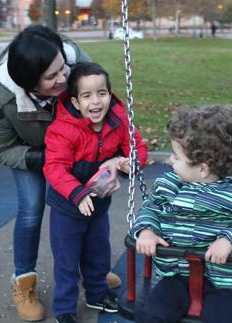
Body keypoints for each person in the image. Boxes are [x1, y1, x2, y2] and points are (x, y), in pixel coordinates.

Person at [0, 25, 121, 321]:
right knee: (32, 208)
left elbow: (104, 102)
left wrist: (115, 157)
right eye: (52, 77)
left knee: (92, 202)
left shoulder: (73, 63)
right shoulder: (2, 97)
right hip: (31, 152)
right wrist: (47, 159)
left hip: (77, 144)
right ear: (29, 85)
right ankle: (24, 282)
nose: (64, 78)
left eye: (63, 69)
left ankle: (93, 273)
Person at [131, 105, 232, 323]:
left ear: (202, 169)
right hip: (177, 274)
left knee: (223, 318)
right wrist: (146, 230)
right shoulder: (169, 185)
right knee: (151, 314)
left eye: (176, 156)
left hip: (227, 281)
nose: (170, 160)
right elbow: (152, 207)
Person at [43, 62, 148, 323]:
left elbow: (138, 149)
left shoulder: (119, 120)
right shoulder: (64, 129)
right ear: (76, 102)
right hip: (68, 206)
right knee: (67, 259)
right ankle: (65, 308)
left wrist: (125, 163)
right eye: (87, 95)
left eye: (102, 93)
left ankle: (96, 293)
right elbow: (54, 167)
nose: (96, 102)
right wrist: (76, 194)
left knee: (98, 252)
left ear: (110, 95)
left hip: (99, 204)